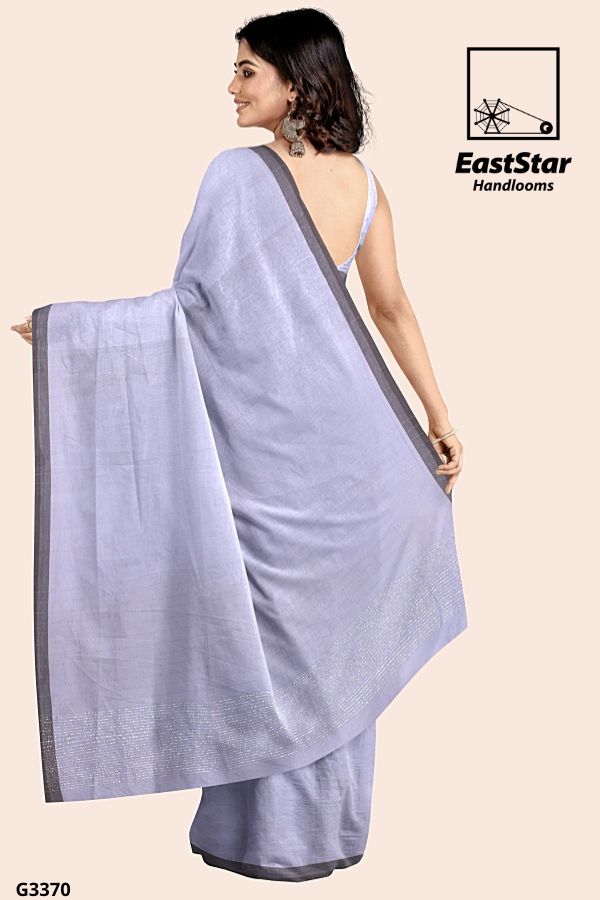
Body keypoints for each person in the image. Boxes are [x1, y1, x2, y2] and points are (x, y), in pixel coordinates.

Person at [11, 8, 466, 883]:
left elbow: (191, 312)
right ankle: (316, 835)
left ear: (295, 82)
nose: (231, 86)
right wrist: (438, 417)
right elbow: (392, 308)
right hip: (342, 457)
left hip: (265, 456)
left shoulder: (235, 175)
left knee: (262, 638)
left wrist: (73, 332)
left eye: (247, 70)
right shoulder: (364, 185)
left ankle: (267, 842)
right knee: (322, 639)